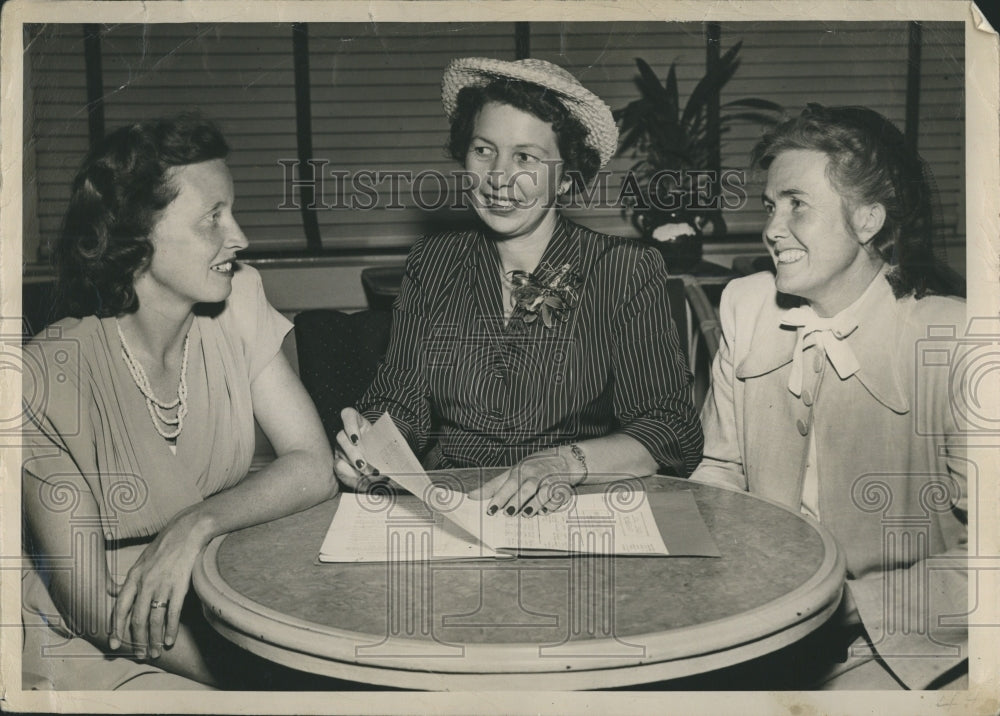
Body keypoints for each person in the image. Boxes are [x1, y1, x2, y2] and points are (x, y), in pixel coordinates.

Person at [21, 114, 337, 689]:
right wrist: (259, 682)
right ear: (137, 236)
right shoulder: (43, 375)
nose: (239, 237)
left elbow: (313, 465)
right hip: (104, 645)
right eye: (213, 218)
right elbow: (88, 605)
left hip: (221, 601)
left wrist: (192, 526)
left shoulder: (239, 299)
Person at [335, 57, 703, 514]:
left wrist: (562, 464)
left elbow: (671, 429)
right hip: (456, 507)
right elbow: (400, 399)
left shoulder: (623, 269)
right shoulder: (431, 263)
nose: (498, 178)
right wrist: (366, 442)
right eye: (483, 150)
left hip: (575, 508)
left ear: (567, 178)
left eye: (525, 157)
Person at [692, 104, 967, 689]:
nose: (771, 228)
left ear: (868, 221)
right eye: (770, 206)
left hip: (912, 643)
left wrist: (843, 603)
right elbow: (720, 471)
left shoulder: (954, 340)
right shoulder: (746, 307)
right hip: (764, 628)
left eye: (797, 204)